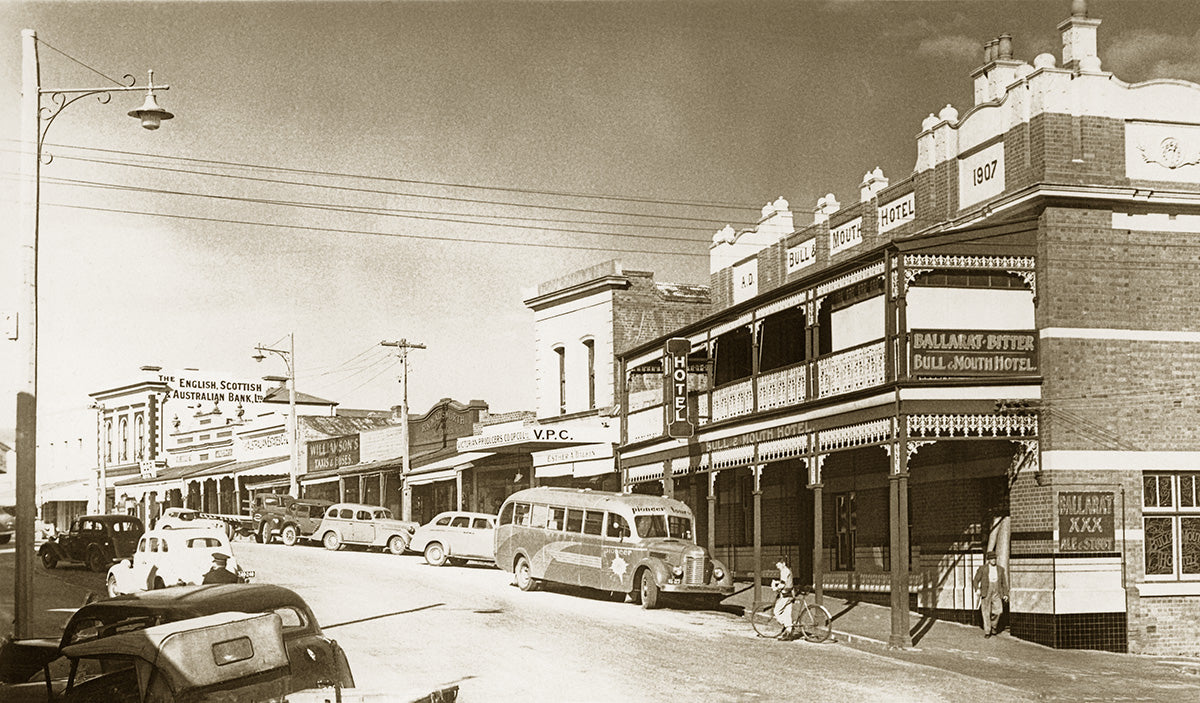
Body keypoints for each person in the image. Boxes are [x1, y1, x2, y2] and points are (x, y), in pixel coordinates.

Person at [972, 551, 1009, 638]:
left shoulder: (1000, 569)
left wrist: (1005, 594)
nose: (993, 560)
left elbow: (1004, 583)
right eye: (991, 559)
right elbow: (975, 580)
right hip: (986, 591)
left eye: (994, 558)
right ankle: (988, 631)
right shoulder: (983, 569)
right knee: (986, 612)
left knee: (999, 611)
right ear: (988, 560)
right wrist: (977, 589)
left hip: (997, 591)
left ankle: (994, 626)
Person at [771, 558, 797, 640]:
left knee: (777, 611)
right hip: (791, 595)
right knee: (787, 614)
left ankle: (789, 627)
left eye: (778, 564)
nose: (777, 565)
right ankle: (788, 634)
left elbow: (782, 584)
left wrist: (775, 588)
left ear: (783, 563)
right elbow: (785, 581)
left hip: (786, 595)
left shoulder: (784, 571)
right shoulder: (787, 570)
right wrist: (777, 582)